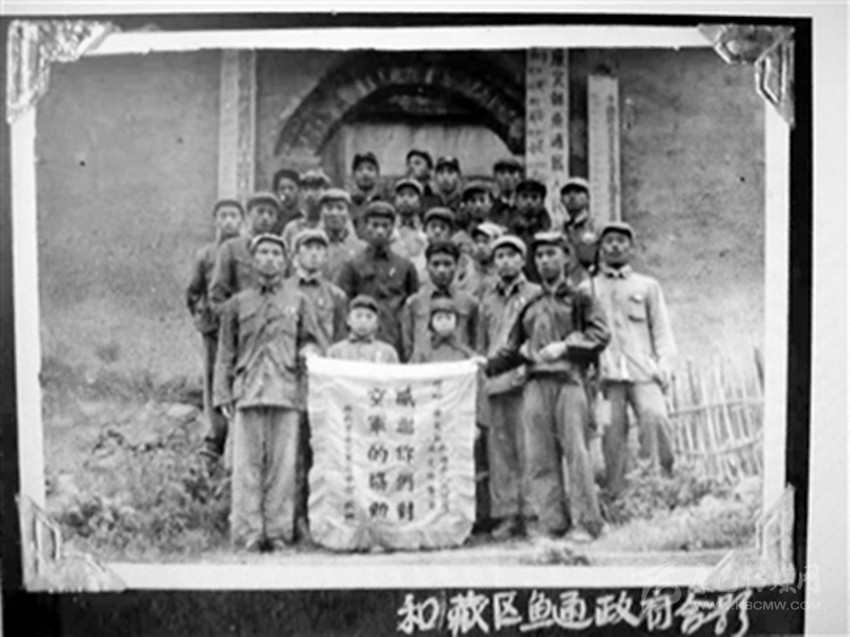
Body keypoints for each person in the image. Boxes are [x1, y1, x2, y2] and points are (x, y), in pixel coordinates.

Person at [484, 231, 609, 541]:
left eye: (551, 254)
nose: (544, 261)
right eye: (539, 256)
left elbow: (600, 335)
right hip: (535, 384)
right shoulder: (531, 303)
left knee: (576, 454)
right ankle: (553, 523)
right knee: (540, 457)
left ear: (566, 257)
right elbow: (513, 348)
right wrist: (486, 365)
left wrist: (566, 346)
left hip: (569, 382)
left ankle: (586, 523)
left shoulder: (581, 298)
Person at [213, 233, 323, 552]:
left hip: (285, 391)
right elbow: (225, 352)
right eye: (263, 253)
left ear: (285, 260)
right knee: (247, 467)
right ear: (253, 260)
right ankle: (248, 532)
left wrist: (309, 352)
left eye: (276, 253)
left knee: (283, 467)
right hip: (248, 391)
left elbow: (311, 339)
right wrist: (223, 394)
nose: (270, 259)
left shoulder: (298, 301)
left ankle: (277, 532)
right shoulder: (238, 303)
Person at [593, 222, 677, 497]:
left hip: (642, 372)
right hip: (605, 378)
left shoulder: (648, 286)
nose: (615, 246)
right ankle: (617, 495)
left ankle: (657, 487)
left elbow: (661, 329)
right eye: (609, 241)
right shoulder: (588, 288)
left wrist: (664, 365)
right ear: (601, 248)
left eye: (621, 240)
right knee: (610, 432)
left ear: (631, 247)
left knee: (656, 418)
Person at [286, 227, 348, 545]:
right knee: (293, 452)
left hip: (326, 383)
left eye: (319, 249)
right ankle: (293, 518)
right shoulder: (284, 290)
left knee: (322, 451)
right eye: (307, 248)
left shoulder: (336, 296)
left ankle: (320, 517)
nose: (313, 254)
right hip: (291, 380)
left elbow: (340, 341)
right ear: (296, 254)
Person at [477, 234, 541, 539]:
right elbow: (482, 342)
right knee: (500, 452)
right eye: (499, 256)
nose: (505, 262)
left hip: (524, 378)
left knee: (528, 448)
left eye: (511, 255)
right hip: (494, 381)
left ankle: (532, 512)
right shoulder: (487, 299)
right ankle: (506, 514)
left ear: (522, 260)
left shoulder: (535, 295)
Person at [186, 199, 244, 469]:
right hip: (214, 328)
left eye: (234, 216)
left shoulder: (246, 251)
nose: (229, 221)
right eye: (224, 216)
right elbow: (193, 290)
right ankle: (214, 435)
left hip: (240, 326)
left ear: (242, 220)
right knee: (213, 379)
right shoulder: (206, 254)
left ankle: (237, 437)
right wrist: (203, 317)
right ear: (216, 220)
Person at [337, 201, 419, 358]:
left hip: (395, 342)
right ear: (365, 227)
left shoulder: (405, 267)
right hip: (360, 344)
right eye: (375, 225)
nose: (380, 231)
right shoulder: (352, 265)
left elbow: (413, 308)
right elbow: (344, 308)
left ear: (392, 229)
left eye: (385, 226)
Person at [401, 240, 478, 363]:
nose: (441, 270)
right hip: (424, 368)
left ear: (457, 266)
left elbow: (476, 341)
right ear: (427, 266)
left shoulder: (470, 302)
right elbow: (407, 345)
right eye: (435, 264)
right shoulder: (414, 302)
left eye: (447, 264)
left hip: (459, 367)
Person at [210, 191, 282, 315]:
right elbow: (217, 295)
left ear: (276, 219)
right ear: (248, 215)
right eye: (260, 211)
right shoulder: (230, 248)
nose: (265, 217)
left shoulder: (280, 251)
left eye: (271, 213)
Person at [327, 294, 400, 363]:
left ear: (376, 323)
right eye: (358, 316)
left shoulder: (387, 353)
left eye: (369, 317)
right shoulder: (336, 352)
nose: (363, 321)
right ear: (348, 320)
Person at [318, 188, 366, 283]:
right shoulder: (309, 246)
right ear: (321, 213)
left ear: (349, 214)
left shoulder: (361, 249)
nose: (334, 213)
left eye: (340, 208)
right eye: (329, 208)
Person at [281, 169, 331, 257]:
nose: (310, 193)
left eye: (315, 188)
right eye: (306, 188)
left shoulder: (333, 226)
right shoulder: (291, 228)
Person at [510, 178, 552, 282]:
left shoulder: (550, 233)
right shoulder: (508, 232)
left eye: (534, 197)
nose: (529, 202)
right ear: (516, 201)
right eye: (524, 197)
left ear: (542, 202)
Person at [390, 178, 428, 279]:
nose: (405, 199)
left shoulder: (427, 229)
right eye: (401, 195)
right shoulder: (388, 229)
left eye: (411, 195)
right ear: (395, 201)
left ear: (419, 202)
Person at [454, 221, 503, 300]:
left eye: (485, 241)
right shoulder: (464, 269)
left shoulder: (503, 273)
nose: (480, 246)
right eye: (477, 241)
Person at [560, 177, 599, 272]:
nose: (572, 197)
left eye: (578, 192)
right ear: (561, 200)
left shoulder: (597, 227)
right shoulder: (558, 229)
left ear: (588, 198)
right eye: (567, 193)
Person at [348, 152, 386, 236]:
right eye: (360, 169)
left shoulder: (385, 203)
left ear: (378, 175)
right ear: (353, 175)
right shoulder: (347, 204)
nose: (365, 173)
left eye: (370, 169)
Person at [489, 157, 523, 228]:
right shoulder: (490, 204)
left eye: (511, 172)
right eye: (502, 173)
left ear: (520, 176)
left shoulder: (527, 203)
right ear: (495, 177)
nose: (507, 177)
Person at [272, 167, 304, 233]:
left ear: (299, 190)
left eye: (291, 188)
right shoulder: (272, 221)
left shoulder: (303, 221)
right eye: (282, 189)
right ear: (276, 192)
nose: (286, 192)